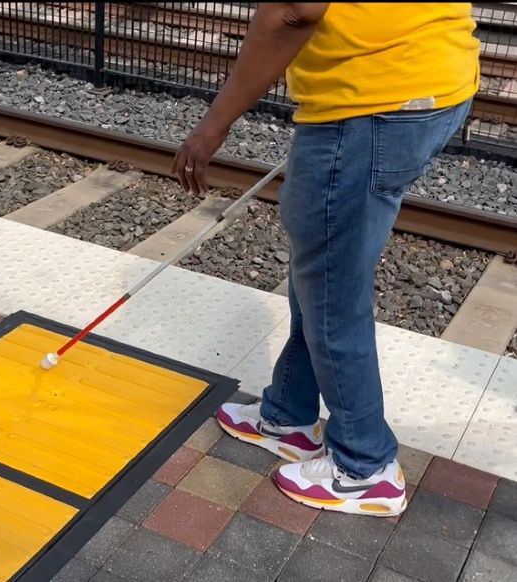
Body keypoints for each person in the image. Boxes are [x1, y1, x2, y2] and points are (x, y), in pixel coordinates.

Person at [174, 3, 479, 517]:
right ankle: (289, 414)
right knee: (323, 267)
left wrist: (214, 124)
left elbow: (292, 12)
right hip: (430, 77)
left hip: (371, 101)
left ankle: (365, 467)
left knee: (333, 290)